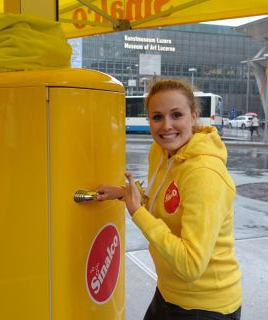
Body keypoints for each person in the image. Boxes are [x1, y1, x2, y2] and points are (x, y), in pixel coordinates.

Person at [96, 79, 242, 320]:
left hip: (206, 307)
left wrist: (137, 212)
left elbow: (191, 265)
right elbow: (162, 202)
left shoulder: (204, 173)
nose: (166, 126)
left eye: (176, 115)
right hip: (169, 292)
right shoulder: (162, 153)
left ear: (193, 116)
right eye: (157, 117)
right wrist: (123, 193)